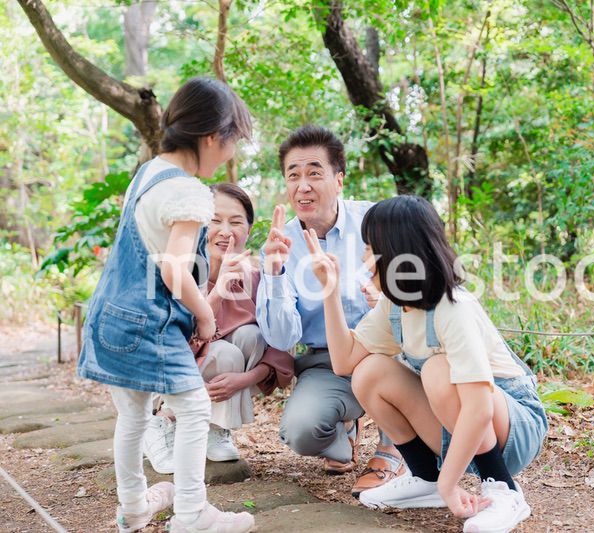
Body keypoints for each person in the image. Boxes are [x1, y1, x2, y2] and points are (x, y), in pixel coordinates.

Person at [303, 195, 548, 533]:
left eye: (370, 247)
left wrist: (454, 484)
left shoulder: (453, 307)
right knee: (369, 373)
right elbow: (345, 361)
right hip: (464, 422)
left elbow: (478, 407)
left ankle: (502, 487)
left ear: (395, 253)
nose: (363, 258)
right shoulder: (394, 306)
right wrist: (329, 290)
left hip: (513, 425)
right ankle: (425, 478)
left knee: (436, 370)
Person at [76, 77, 255, 533]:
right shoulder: (192, 191)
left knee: (133, 414)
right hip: (147, 324)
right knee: (195, 408)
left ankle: (134, 506)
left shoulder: (150, 173)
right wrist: (206, 312)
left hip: (108, 317)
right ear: (214, 137)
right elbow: (176, 270)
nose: (231, 153)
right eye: (234, 141)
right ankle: (193, 514)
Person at [256, 125, 406, 496]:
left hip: (387, 351)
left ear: (339, 180)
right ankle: (345, 434)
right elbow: (282, 338)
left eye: (314, 173)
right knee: (301, 431)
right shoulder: (280, 245)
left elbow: (415, 289)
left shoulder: (374, 221)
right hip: (326, 364)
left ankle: (393, 448)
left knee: (404, 341)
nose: (302, 185)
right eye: (293, 175)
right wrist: (274, 272)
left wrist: (385, 300)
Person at [143, 183, 294, 473]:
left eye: (236, 222)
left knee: (250, 336)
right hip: (168, 375)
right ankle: (162, 420)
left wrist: (246, 378)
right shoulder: (176, 271)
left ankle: (216, 427)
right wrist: (218, 291)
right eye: (215, 220)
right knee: (224, 352)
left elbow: (281, 347)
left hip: (220, 372)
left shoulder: (256, 278)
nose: (226, 231)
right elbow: (167, 345)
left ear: (248, 231)